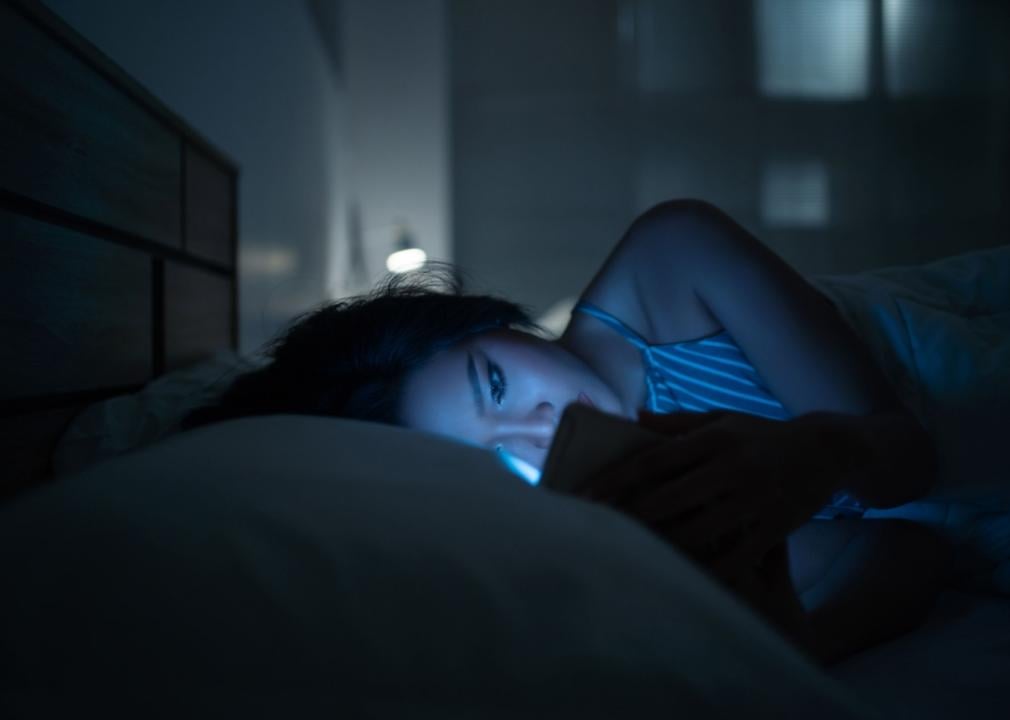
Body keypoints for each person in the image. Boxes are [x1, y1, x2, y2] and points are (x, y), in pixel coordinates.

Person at [184, 199, 949, 664]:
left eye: (497, 383)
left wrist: (824, 451)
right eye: (497, 460)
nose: (540, 432)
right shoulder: (609, 510)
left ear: (491, 324)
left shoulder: (667, 264)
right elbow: (920, 553)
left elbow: (912, 466)